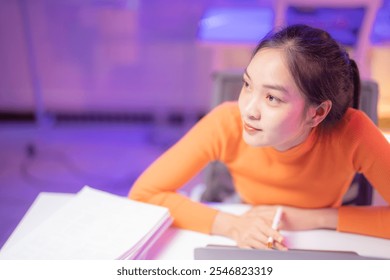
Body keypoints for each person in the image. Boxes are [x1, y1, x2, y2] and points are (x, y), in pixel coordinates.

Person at [128, 24, 390, 250]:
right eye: (247, 85)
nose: (248, 110)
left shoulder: (353, 132)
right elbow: (144, 194)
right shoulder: (226, 122)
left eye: (272, 98)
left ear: (317, 113)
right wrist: (233, 226)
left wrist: (316, 218)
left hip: (317, 238)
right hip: (245, 219)